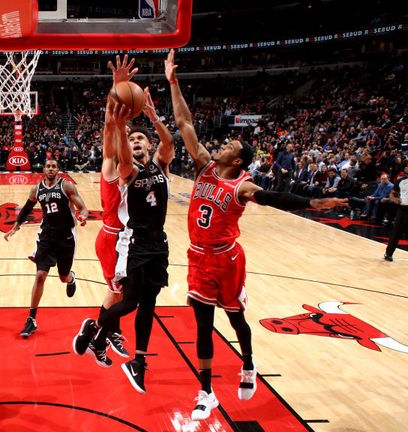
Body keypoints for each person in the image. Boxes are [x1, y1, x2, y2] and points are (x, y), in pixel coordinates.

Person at [166, 49, 346, 420]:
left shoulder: (243, 186)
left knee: (236, 320)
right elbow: (184, 122)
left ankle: (248, 362)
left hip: (227, 259)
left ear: (237, 161)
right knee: (202, 325)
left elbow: (274, 197)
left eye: (229, 146)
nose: (222, 144)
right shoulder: (204, 166)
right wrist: (173, 81)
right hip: (198, 257)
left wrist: (313, 203)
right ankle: (206, 392)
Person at [73, 55, 174, 365]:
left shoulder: (153, 168)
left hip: (136, 239)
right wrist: (115, 91)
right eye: (130, 137)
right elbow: (109, 129)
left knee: (125, 295)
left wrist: (149, 118)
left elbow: (166, 147)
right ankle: (98, 330)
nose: (134, 140)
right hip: (117, 238)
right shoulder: (115, 165)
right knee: (122, 296)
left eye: (139, 137)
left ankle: (105, 332)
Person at [4, 159, 88, 338]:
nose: (50, 169)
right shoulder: (36, 189)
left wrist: (83, 216)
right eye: (48, 166)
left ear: (58, 169)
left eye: (53, 166)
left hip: (66, 236)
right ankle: (31, 319)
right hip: (47, 235)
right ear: (43, 169)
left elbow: (83, 208)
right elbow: (27, 208)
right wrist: (15, 227)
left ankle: (71, 278)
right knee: (40, 275)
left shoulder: (66, 186)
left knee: (63, 277)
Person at [384, 174, 408, 262]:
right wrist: (394, 199)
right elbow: (392, 193)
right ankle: (389, 254)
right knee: (396, 232)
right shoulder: (401, 181)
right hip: (403, 209)